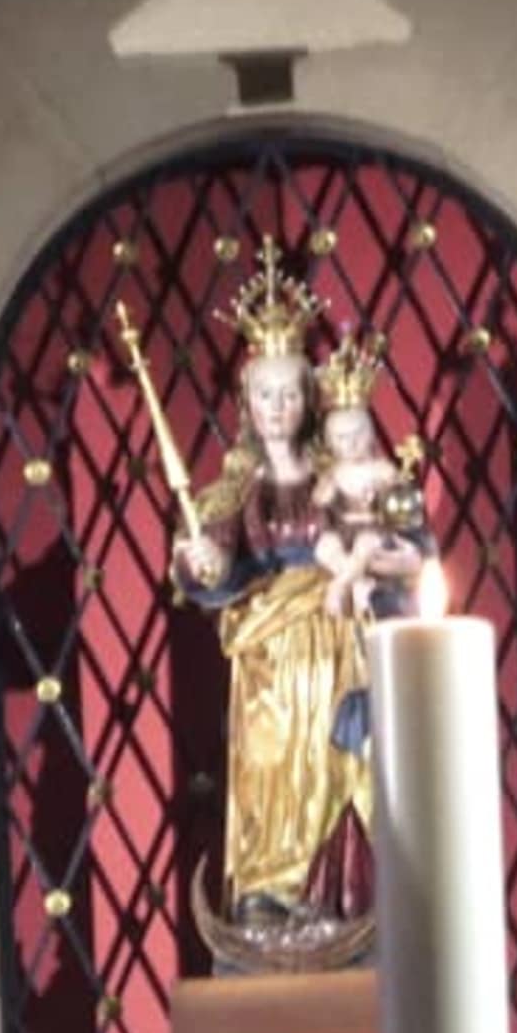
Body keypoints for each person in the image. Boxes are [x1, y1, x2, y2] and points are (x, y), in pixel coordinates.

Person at [172, 266, 425, 971]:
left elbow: (387, 537)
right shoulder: (237, 489)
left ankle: (338, 892)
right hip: (269, 651)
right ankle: (266, 893)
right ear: (246, 403)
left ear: (308, 400)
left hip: (336, 636)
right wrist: (204, 563)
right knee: (270, 763)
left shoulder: (333, 475)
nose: (277, 407)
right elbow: (212, 563)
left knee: (337, 760)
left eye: (289, 393)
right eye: (264, 394)